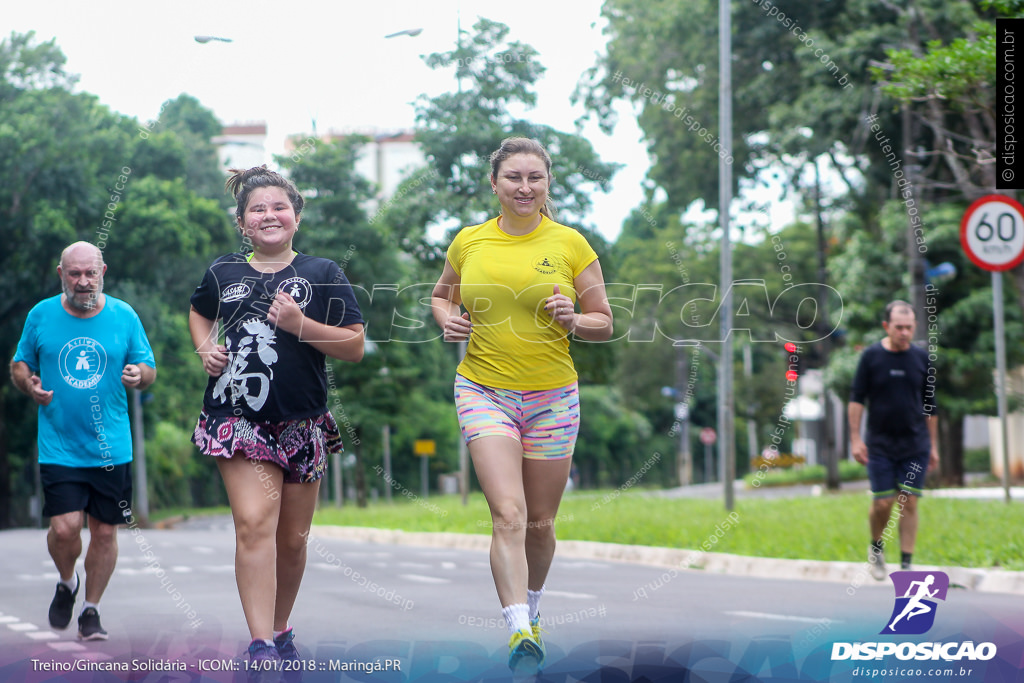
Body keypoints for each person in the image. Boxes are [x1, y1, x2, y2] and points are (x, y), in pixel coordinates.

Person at [430, 137, 613, 672]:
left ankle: (532, 608)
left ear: (547, 183)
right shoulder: (469, 242)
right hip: (483, 389)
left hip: (554, 397)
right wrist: (448, 319)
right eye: (513, 177)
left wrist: (575, 320)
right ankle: (517, 629)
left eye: (535, 177)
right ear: (494, 184)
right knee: (507, 513)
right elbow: (442, 295)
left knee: (540, 522)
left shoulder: (571, 244)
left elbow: (604, 321)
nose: (524, 187)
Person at [189, 166, 364, 665]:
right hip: (235, 416)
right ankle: (260, 643)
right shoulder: (223, 272)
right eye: (257, 209)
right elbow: (199, 311)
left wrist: (300, 324)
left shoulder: (323, 273)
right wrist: (205, 347)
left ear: (296, 217)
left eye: (279, 207)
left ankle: (281, 627)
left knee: (292, 541)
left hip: (302, 422)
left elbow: (354, 346)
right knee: (253, 523)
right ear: (242, 223)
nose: (269, 215)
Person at [10, 241, 156, 641]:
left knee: (105, 533)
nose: (83, 281)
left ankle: (90, 609)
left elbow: (148, 366)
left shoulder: (124, 315)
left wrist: (138, 376)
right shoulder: (41, 315)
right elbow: (21, 363)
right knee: (64, 529)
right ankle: (65, 580)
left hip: (111, 445)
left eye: (90, 273)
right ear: (61, 274)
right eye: (74, 273)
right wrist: (29, 383)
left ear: (103, 271)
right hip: (59, 443)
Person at [848, 300, 938, 580]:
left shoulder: (922, 359)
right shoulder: (871, 357)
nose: (904, 333)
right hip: (880, 446)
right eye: (899, 327)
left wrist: (933, 446)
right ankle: (876, 549)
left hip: (915, 444)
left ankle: (907, 563)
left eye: (909, 328)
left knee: (909, 502)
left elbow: (931, 406)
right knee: (883, 503)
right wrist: (855, 438)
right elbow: (856, 399)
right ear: (886, 326)